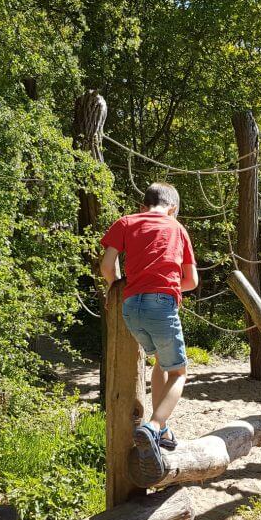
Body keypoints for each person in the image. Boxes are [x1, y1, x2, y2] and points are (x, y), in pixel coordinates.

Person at [100, 182, 198, 486]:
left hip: (130, 306)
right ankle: (153, 426)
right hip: (161, 304)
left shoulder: (126, 222)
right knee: (179, 372)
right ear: (172, 208)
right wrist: (167, 290)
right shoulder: (177, 227)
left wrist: (117, 285)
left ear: (144, 206)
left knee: (159, 363)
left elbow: (106, 265)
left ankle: (164, 429)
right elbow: (191, 280)